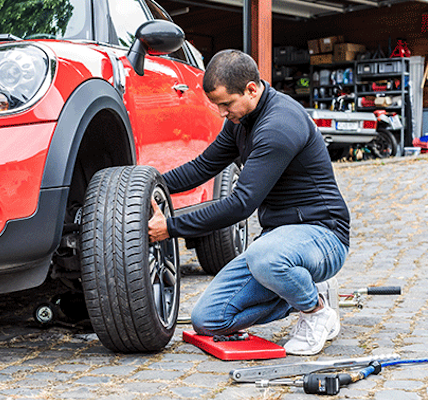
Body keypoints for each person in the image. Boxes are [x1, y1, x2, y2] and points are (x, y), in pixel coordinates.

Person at [148, 49, 350, 356]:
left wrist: (172, 227)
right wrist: (150, 185)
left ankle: (316, 311)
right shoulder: (241, 120)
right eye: (217, 105)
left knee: (265, 258)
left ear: (251, 90)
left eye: (226, 104)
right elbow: (204, 167)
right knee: (208, 319)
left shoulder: (279, 126)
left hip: (322, 236)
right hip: (277, 241)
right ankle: (302, 288)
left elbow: (241, 204)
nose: (221, 113)